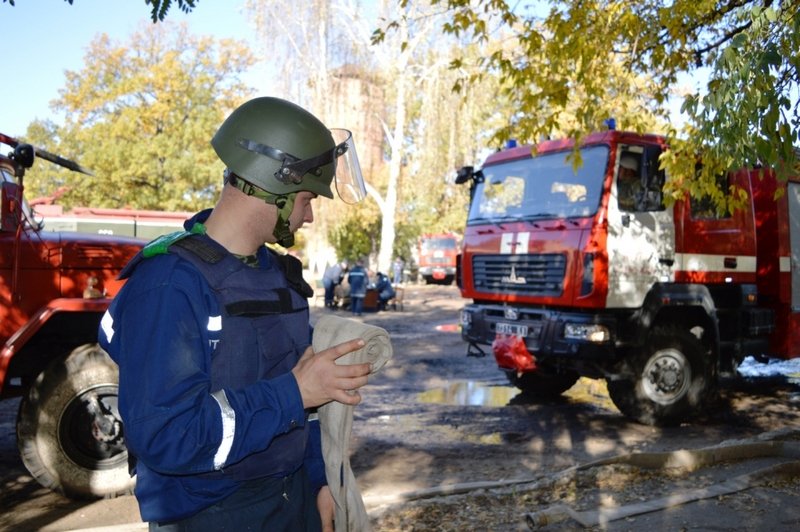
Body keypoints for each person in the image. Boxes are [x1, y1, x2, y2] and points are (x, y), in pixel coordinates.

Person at [98, 97, 371, 531]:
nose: (309, 216)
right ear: (272, 188)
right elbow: (167, 436)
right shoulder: (169, 284)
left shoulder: (279, 276)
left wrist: (319, 480)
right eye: (306, 199)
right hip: (209, 514)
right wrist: (294, 393)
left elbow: (308, 401)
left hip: (291, 498)